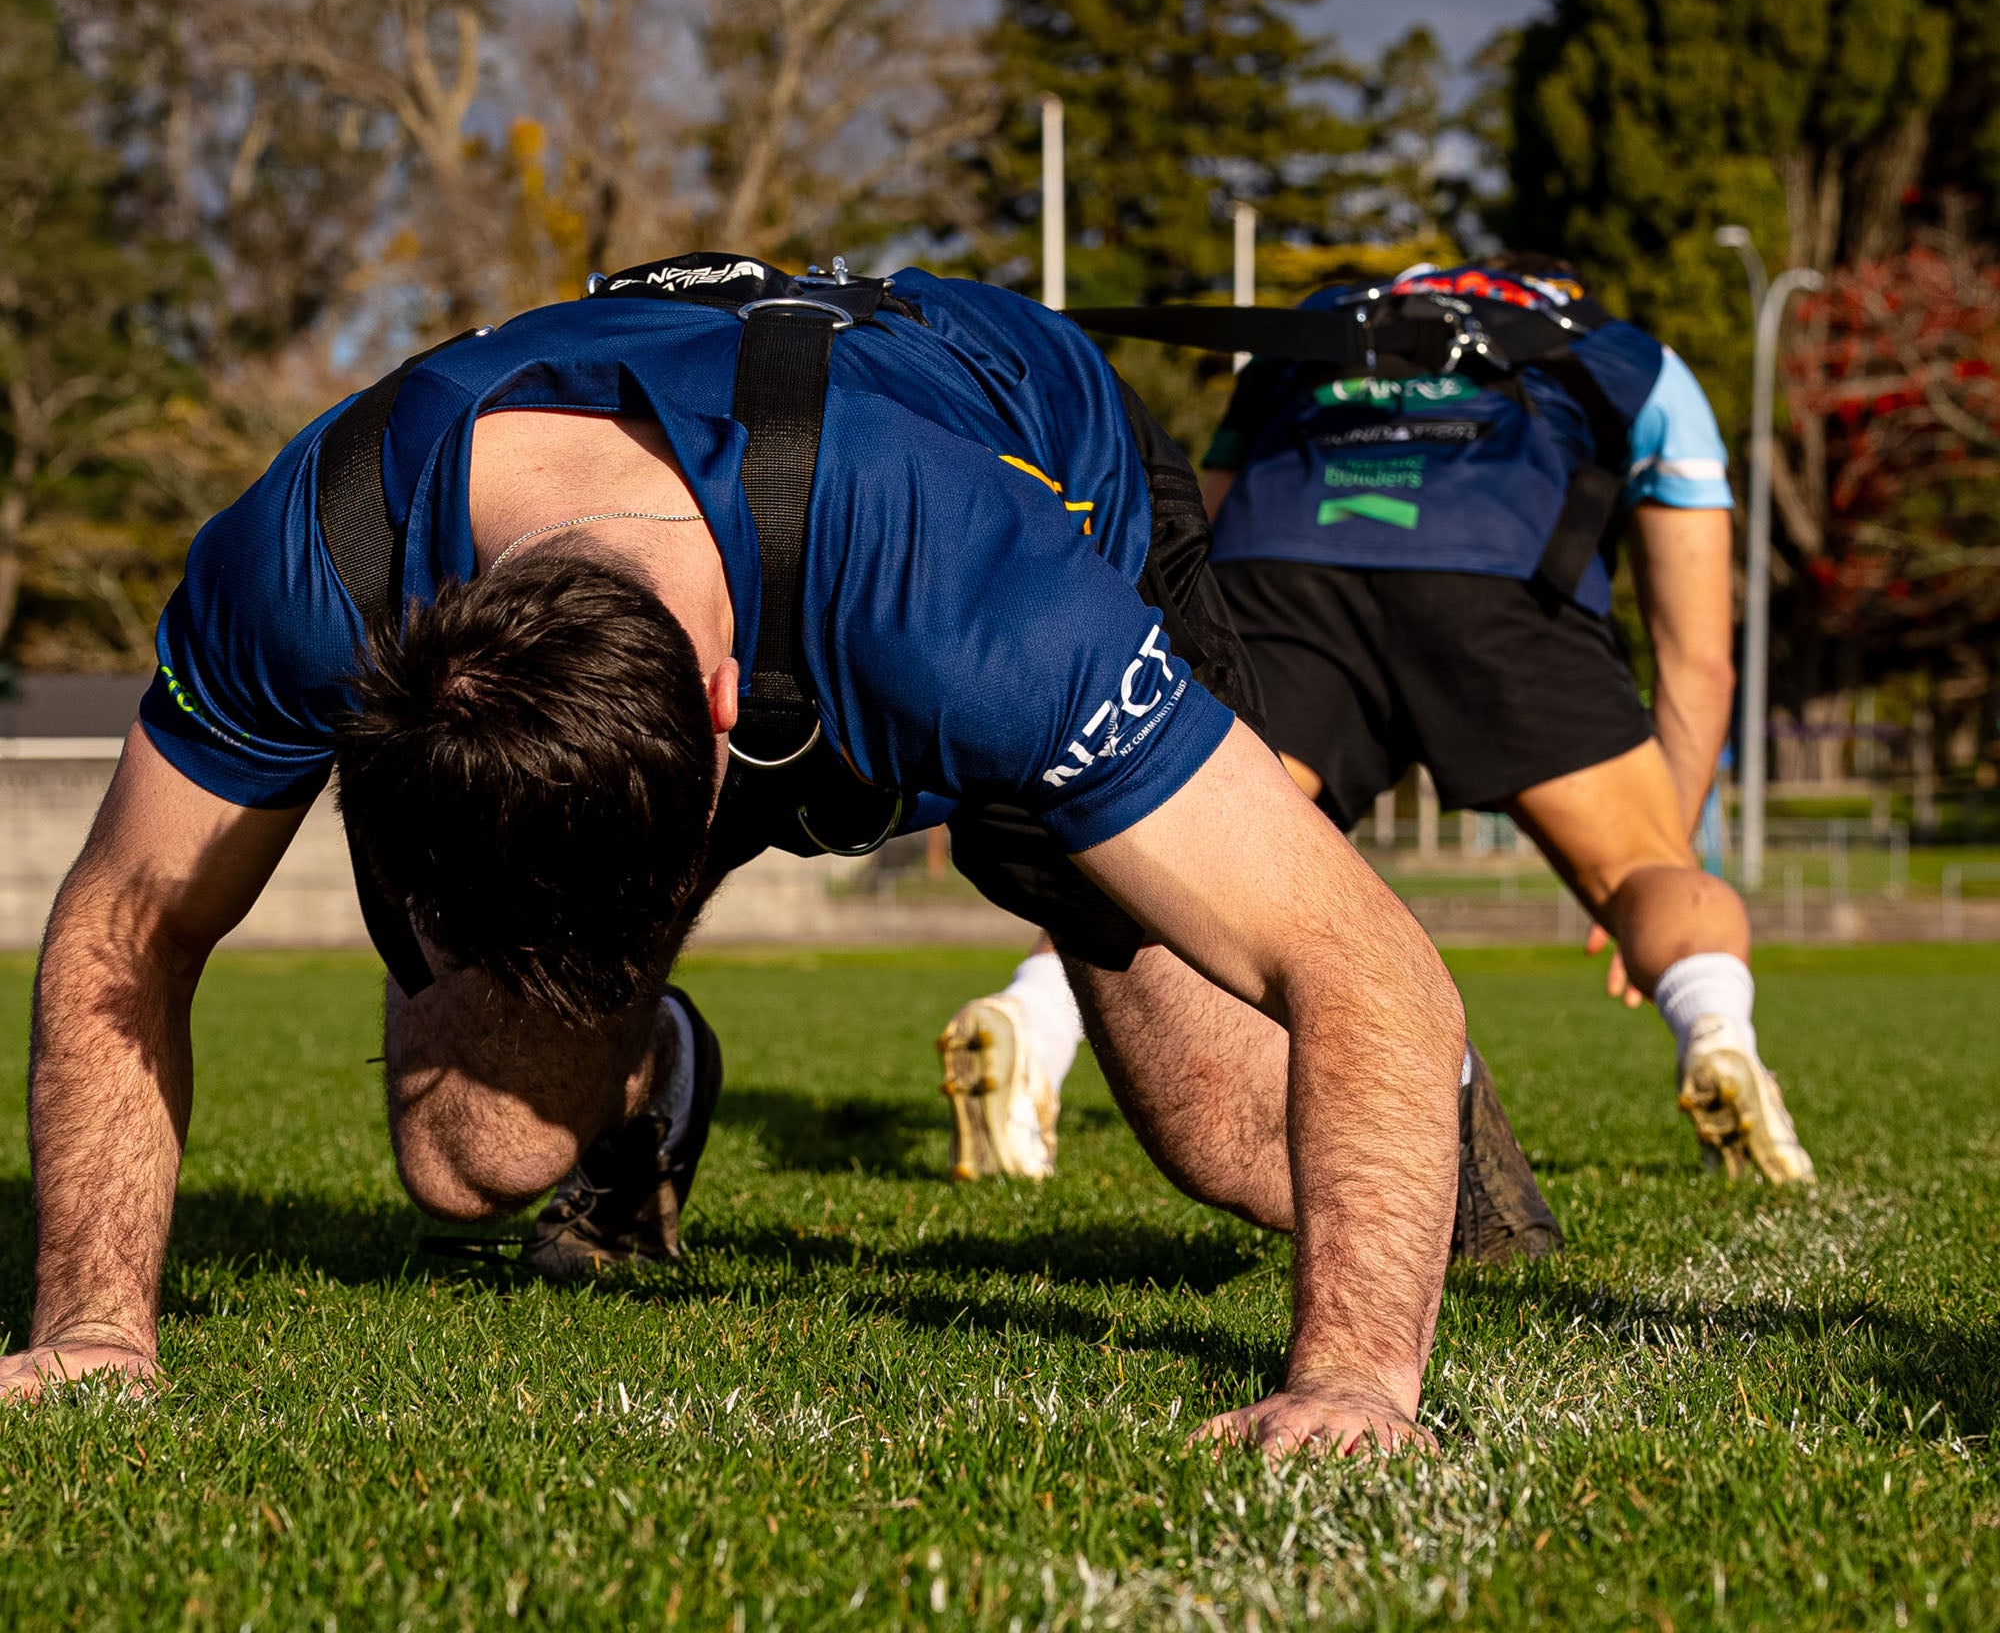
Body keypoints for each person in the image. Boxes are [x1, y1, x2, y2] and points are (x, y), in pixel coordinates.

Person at [5, 252, 1469, 1459]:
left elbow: (1356, 960)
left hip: (1026, 468)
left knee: (1238, 1135)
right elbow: (128, 921)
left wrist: (1353, 1378)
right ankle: (654, 1089)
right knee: (472, 1158)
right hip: (715, 556)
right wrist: (91, 1328)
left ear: (724, 727)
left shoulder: (970, 593)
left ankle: (1458, 1117)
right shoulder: (312, 568)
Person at [941, 258, 1813, 1199]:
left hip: (1289, 575)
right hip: (1498, 582)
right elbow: (1698, 657)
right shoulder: (1631, 357)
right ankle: (1716, 1033)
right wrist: (1660, 873)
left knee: (1176, 851)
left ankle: (1031, 1018)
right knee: (1647, 876)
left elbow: (1191, 525)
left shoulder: (1316, 326)